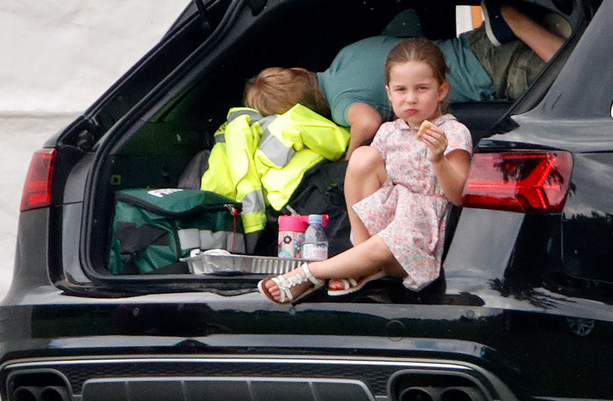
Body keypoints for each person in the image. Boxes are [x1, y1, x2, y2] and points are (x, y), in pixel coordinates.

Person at [258, 37, 472, 303]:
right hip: (385, 226)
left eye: (422, 88)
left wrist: (439, 159)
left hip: (417, 237)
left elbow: (459, 196)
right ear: (389, 93)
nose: (411, 98)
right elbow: (369, 183)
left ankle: (310, 273)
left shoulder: (452, 132)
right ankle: (361, 258)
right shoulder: (388, 131)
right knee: (362, 156)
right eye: (401, 90)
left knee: (391, 238)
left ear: (441, 91)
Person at [243, 1, 568, 158]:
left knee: (571, 73)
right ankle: (520, 25)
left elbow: (367, 122)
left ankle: (517, 22)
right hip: (474, 43)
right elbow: (410, 27)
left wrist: (348, 157)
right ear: (300, 71)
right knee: (571, 45)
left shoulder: (342, 105)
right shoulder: (346, 54)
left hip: (491, 75)